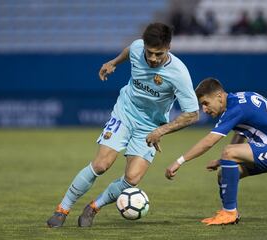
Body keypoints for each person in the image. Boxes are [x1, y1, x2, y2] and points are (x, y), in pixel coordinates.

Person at [46, 22, 199, 228]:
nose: (153, 58)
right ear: (144, 46)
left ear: (169, 48)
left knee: (132, 178)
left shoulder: (179, 73)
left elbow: (193, 114)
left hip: (151, 126)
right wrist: (114, 62)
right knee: (101, 164)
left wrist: (161, 130)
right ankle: (62, 209)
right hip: (125, 113)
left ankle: (93, 208)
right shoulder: (137, 48)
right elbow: (129, 51)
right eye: (149, 52)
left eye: (159, 54)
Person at [165, 78, 267, 225]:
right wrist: (223, 160)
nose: (204, 109)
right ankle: (228, 211)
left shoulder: (236, 108)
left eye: (205, 103)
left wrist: (179, 161)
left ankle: (230, 213)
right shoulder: (240, 100)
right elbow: (242, 132)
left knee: (229, 152)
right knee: (224, 174)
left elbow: (209, 142)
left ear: (219, 96)